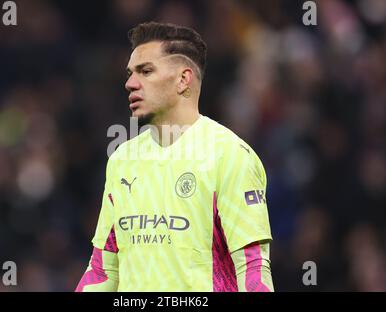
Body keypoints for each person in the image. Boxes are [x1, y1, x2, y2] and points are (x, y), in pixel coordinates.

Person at [76, 21, 274, 292]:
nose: (130, 83)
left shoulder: (229, 156)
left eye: (145, 71)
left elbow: (252, 267)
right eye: (130, 73)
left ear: (183, 79)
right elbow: (102, 269)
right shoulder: (122, 159)